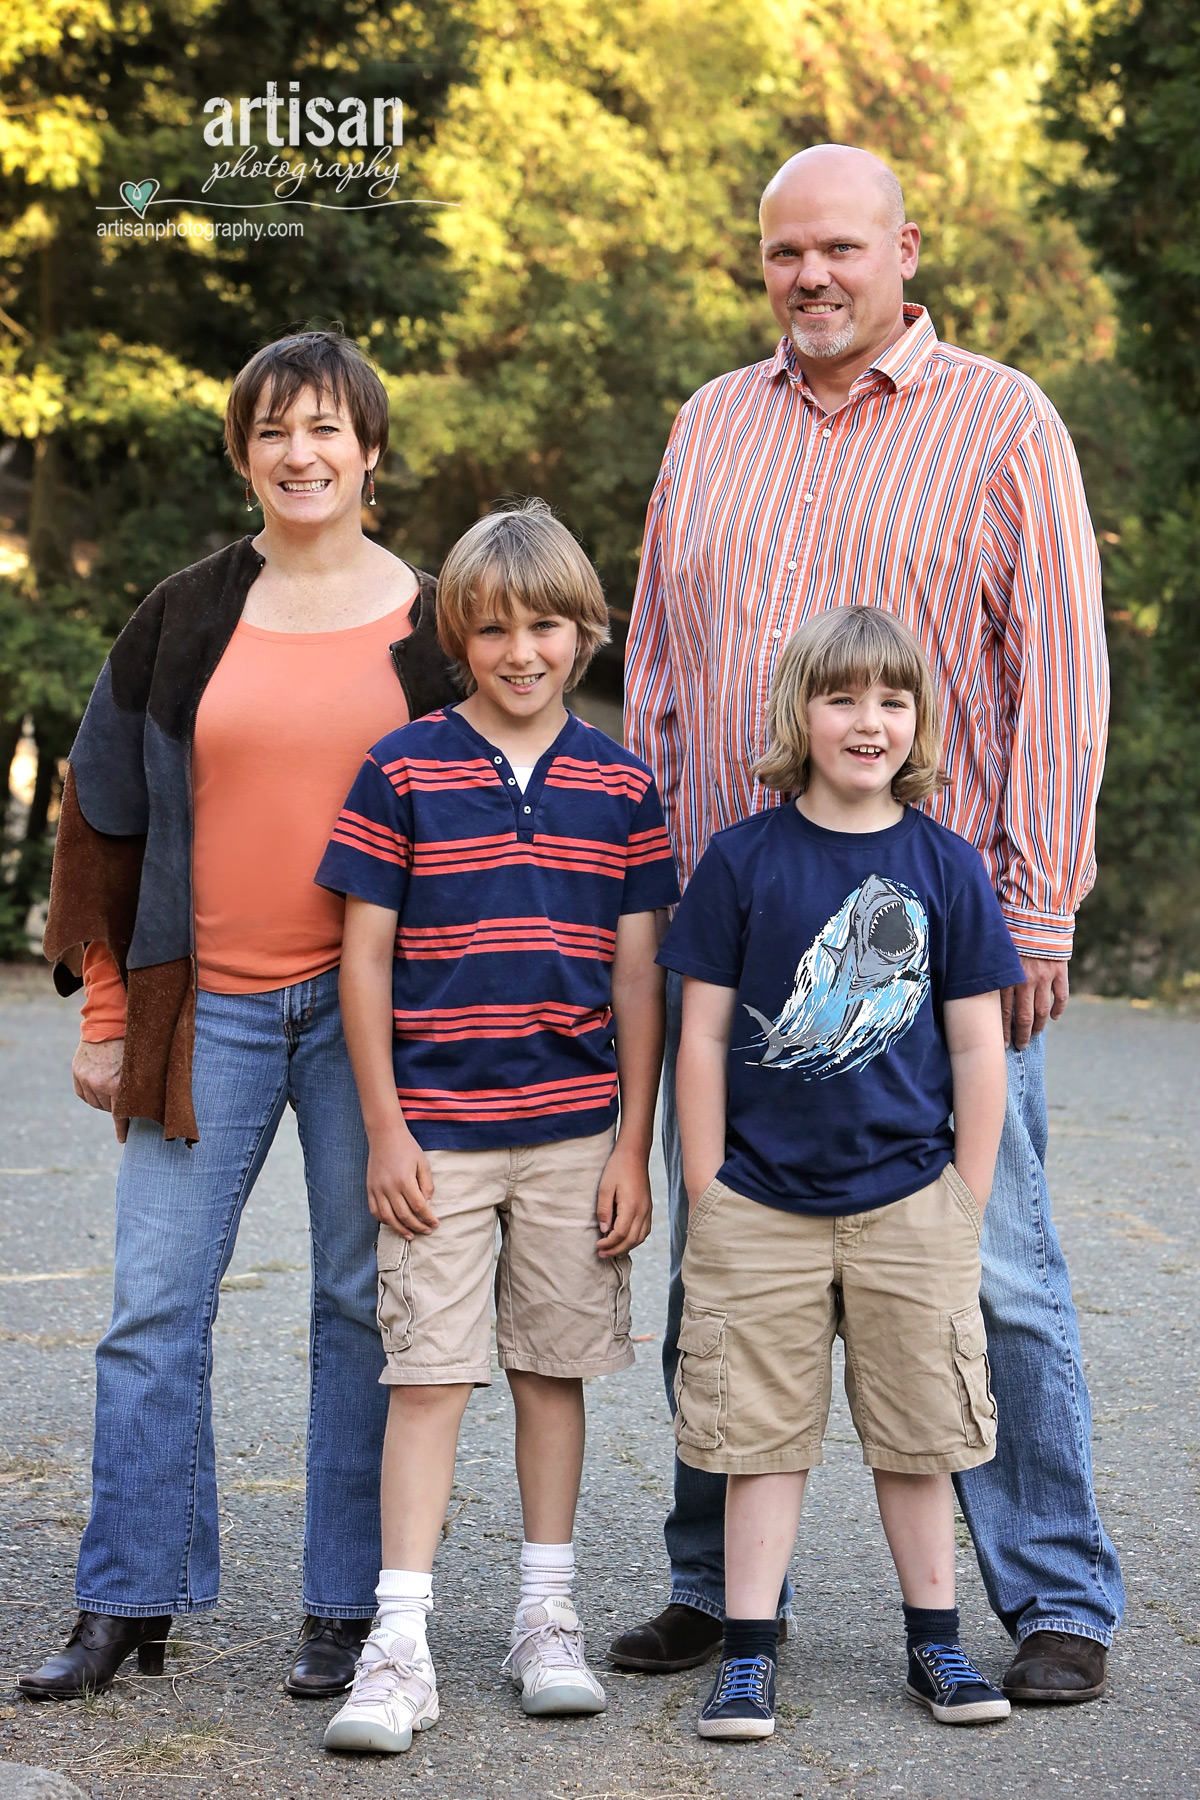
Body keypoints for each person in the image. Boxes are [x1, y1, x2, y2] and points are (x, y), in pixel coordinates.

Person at [615, 142, 1124, 1701]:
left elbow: (1060, 673)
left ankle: (1053, 1597)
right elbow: (654, 675)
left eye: (839, 247)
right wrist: (638, 891)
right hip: (737, 922)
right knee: (726, 1259)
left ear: (906, 248)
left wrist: (1035, 910)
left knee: (988, 1265)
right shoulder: (711, 424)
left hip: (932, 948)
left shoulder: (1001, 421)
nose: (811, 276)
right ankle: (712, 1589)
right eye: (783, 253)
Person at [21, 331, 460, 1703]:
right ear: (244, 451)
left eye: (326, 427)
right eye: (272, 429)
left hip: (371, 1020)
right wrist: (107, 1010)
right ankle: (125, 1602)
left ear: (371, 449)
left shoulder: (437, 624)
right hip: (199, 1004)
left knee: (357, 1306)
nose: (300, 452)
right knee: (150, 1309)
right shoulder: (184, 613)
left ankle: (346, 1609)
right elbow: (102, 809)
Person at [310, 500, 679, 1755]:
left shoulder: (625, 784)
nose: (522, 651)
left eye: (547, 626)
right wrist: (385, 1128)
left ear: (587, 633)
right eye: (493, 629)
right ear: (458, 639)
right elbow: (364, 960)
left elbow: (640, 978)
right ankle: (398, 1644)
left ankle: (544, 1618)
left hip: (577, 1136)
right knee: (425, 1376)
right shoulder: (403, 765)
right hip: (440, 1137)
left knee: (552, 1370)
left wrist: (633, 1143)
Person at [661, 606, 1022, 1738]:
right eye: (843, 698)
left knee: (921, 1437)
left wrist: (965, 1191)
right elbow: (703, 1038)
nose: (869, 722)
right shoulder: (742, 860)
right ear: (799, 714)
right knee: (759, 1440)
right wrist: (708, 1186)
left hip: (912, 1203)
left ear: (917, 719)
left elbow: (977, 1043)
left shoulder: (945, 865)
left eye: (892, 700)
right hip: (759, 1208)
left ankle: (939, 1645)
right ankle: (750, 1653)